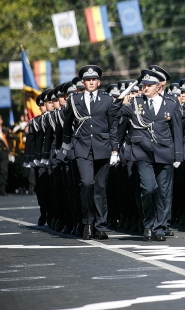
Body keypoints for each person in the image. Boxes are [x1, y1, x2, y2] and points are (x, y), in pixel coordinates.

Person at [114, 69, 184, 241]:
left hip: (165, 152)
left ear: (158, 87)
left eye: (149, 85)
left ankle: (159, 228)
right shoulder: (135, 102)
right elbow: (114, 115)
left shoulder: (171, 103)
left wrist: (178, 155)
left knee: (163, 192)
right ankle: (148, 223)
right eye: (143, 85)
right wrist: (120, 101)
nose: (145, 87)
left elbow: (177, 131)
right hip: (143, 153)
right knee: (148, 188)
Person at [61, 65, 118, 240]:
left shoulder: (107, 99)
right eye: (87, 80)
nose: (91, 82)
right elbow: (67, 122)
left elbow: (113, 125)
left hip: (102, 146)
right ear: (83, 82)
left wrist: (115, 149)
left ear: (98, 82)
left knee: (100, 187)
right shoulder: (74, 100)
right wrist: (66, 143)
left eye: (94, 80)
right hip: (82, 147)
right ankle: (87, 222)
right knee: (86, 183)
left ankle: (100, 225)